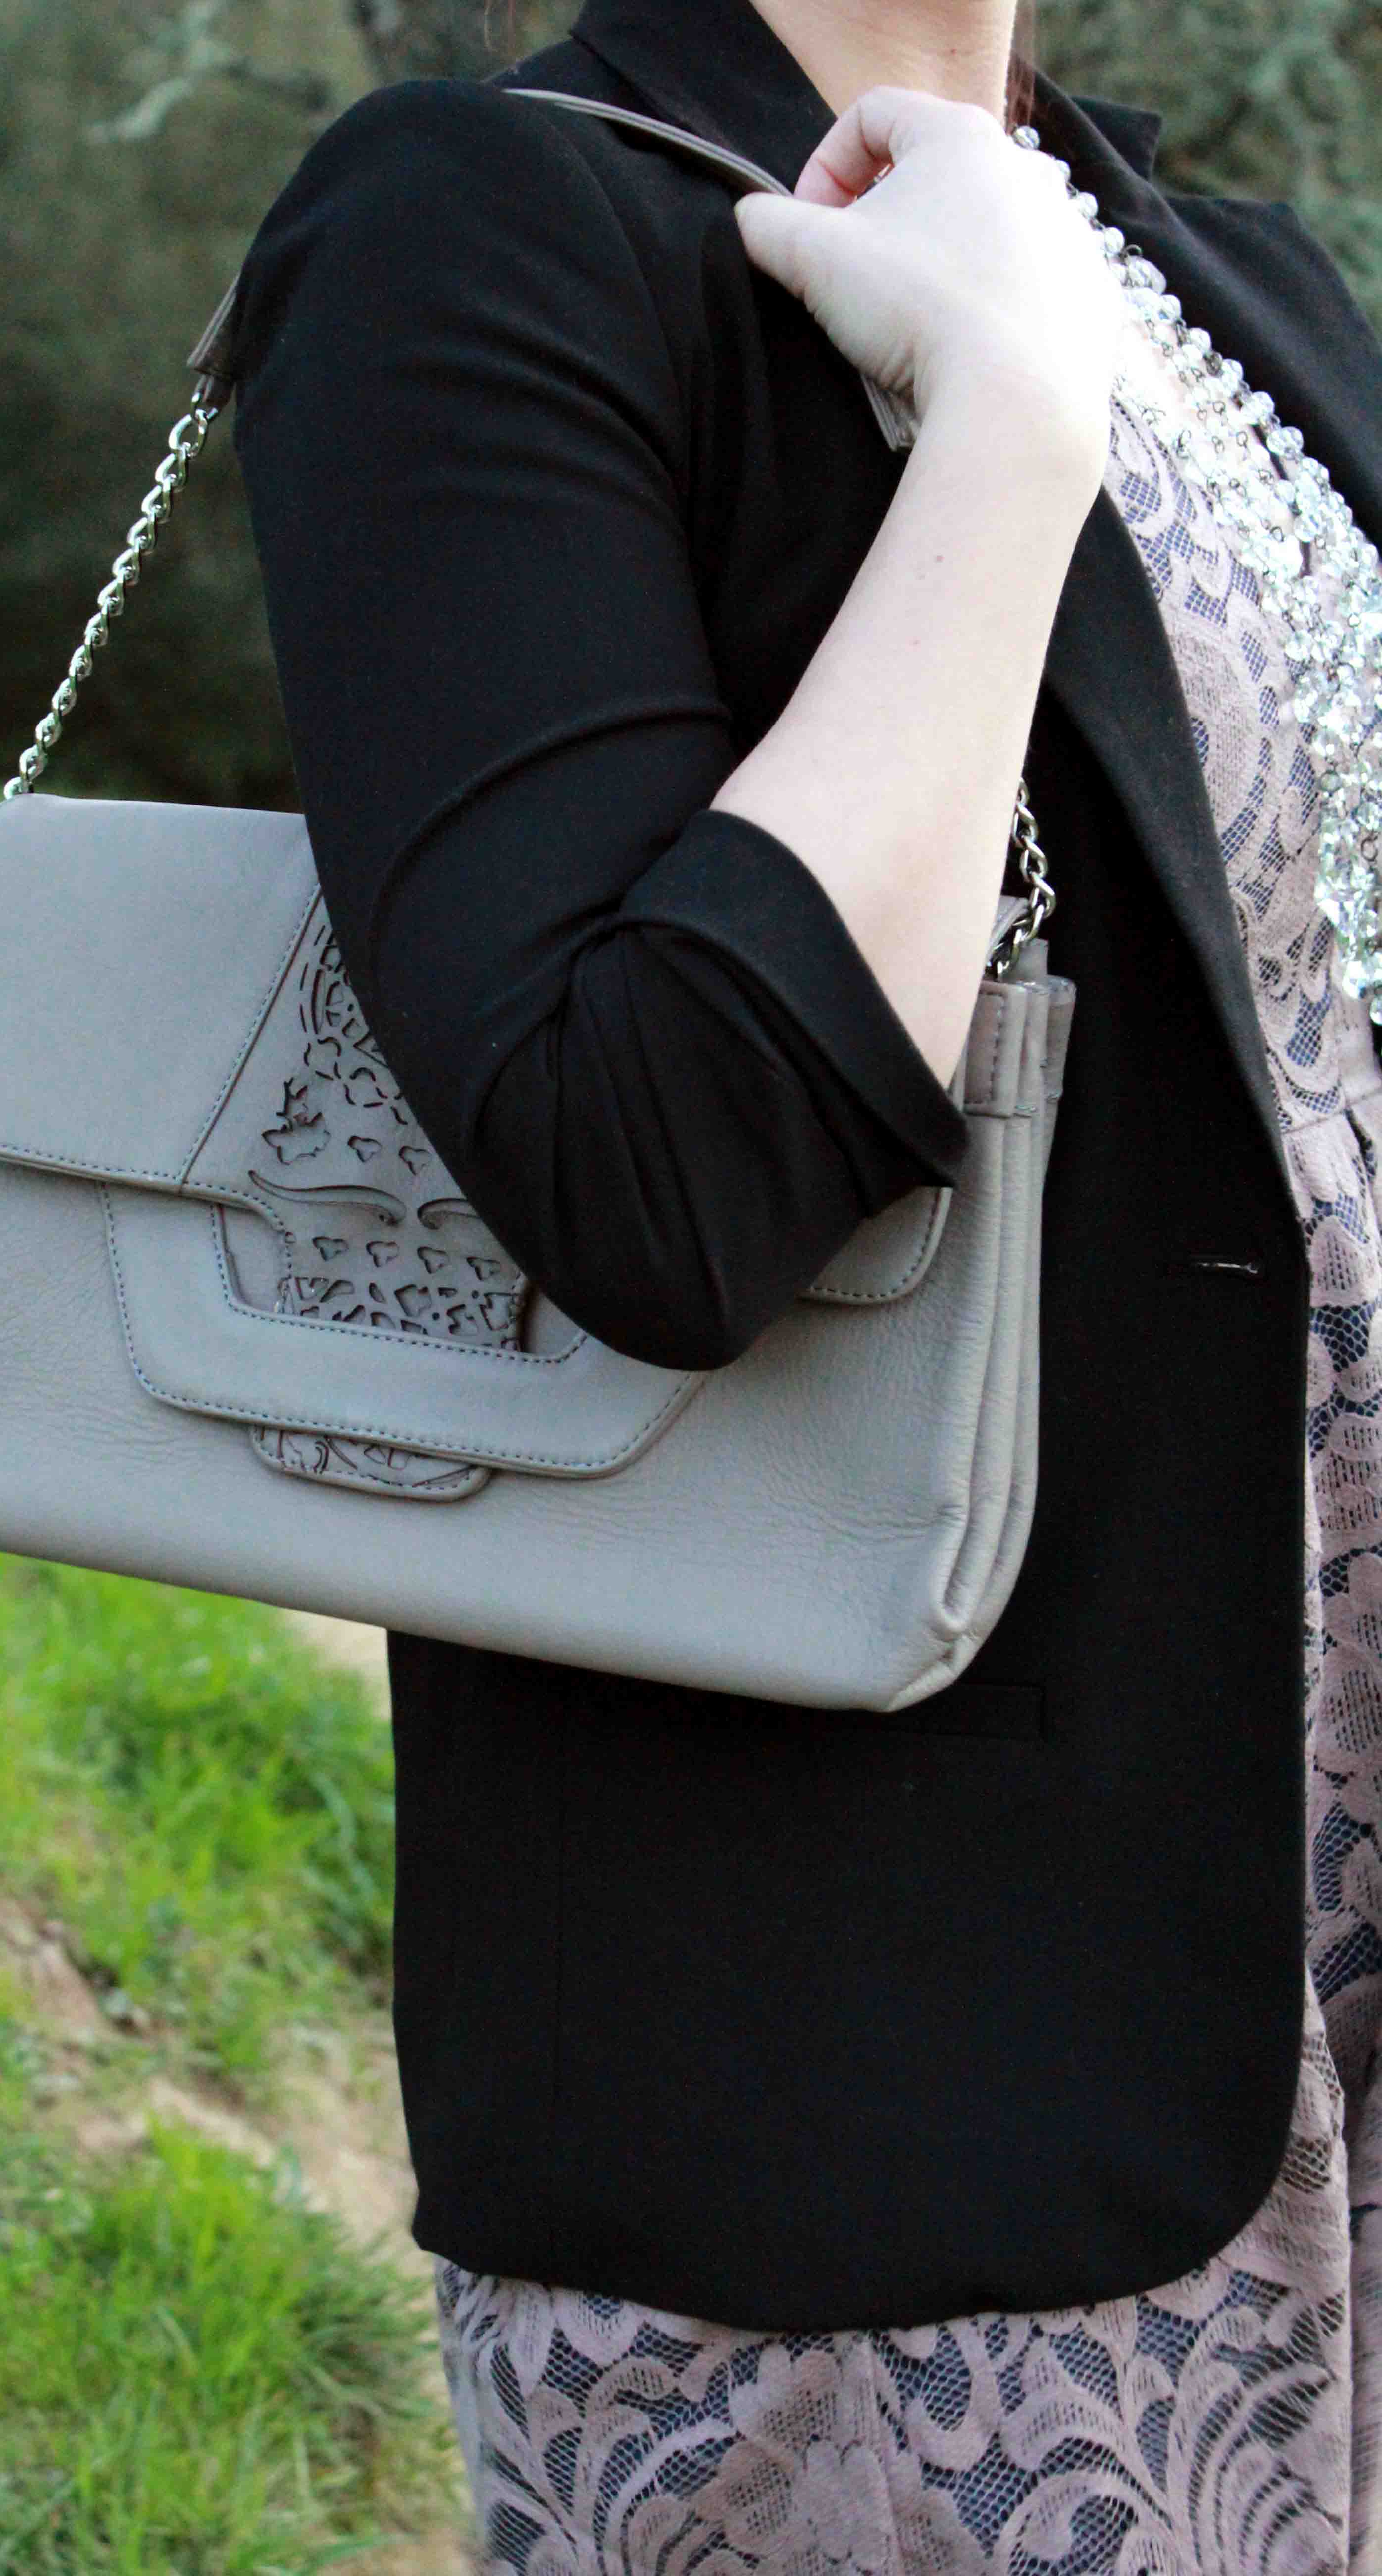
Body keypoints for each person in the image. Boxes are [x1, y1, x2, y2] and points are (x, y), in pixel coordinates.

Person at [223, 0, 1382, 2560]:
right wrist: (1012, 434)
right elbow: (653, 1173)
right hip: (927, 2089)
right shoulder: (486, 227)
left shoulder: (1246, 285)